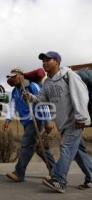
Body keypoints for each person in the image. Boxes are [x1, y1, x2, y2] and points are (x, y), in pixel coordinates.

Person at [25, 51, 92, 193]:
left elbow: (81, 96)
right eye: (43, 61)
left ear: (57, 61)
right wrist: (30, 97)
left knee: (66, 148)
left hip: (75, 121)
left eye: (48, 60)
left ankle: (59, 180)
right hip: (63, 123)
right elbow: (41, 98)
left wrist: (81, 117)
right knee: (79, 152)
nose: (44, 63)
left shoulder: (69, 75)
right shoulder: (48, 82)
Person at [4, 68, 55, 182]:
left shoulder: (32, 86)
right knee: (40, 148)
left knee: (27, 145)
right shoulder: (15, 91)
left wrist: (47, 120)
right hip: (26, 121)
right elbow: (12, 105)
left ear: (21, 75)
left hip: (36, 120)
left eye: (14, 76)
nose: (12, 79)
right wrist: (8, 119)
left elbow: (43, 102)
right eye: (11, 77)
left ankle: (19, 173)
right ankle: (56, 171)